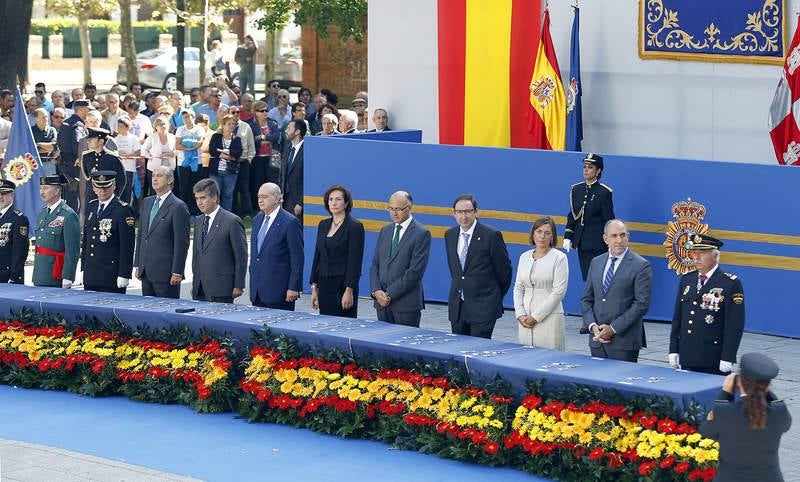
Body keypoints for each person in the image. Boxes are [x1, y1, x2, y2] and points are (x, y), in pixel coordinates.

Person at [700, 353, 791, 482]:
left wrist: (726, 392)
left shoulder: (724, 411)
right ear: (768, 385)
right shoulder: (779, 412)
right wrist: (766, 392)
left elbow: (706, 431)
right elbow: (786, 425)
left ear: (739, 381)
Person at [669, 233, 745, 375]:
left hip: (712, 358)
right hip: (686, 355)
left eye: (702, 253)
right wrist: (673, 348)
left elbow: (734, 324)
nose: (696, 257)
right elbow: (678, 318)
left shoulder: (730, 283)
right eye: (694, 253)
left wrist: (728, 356)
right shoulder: (687, 280)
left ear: (715, 256)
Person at [581, 219, 652, 362]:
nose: (619, 240)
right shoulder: (596, 262)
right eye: (614, 236)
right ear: (605, 239)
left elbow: (641, 304)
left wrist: (613, 329)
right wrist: (593, 326)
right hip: (597, 339)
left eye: (622, 235)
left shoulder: (641, 265)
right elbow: (587, 299)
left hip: (624, 342)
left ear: (628, 237)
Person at [444, 194, 512, 339]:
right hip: (458, 307)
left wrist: (493, 298)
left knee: (478, 354)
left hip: (483, 307)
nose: (464, 216)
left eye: (468, 211)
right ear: (454, 213)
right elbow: (455, 270)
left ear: (476, 211)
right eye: (460, 212)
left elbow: (505, 271)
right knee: (457, 353)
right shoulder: (450, 235)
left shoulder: (491, 235)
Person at [369, 191, 431, 327]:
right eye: (391, 209)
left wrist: (389, 294)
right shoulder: (385, 230)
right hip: (381, 304)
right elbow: (375, 265)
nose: (394, 213)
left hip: (405, 306)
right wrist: (376, 291)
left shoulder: (421, 233)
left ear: (409, 208)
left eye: (398, 209)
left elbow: (414, 273)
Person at [133, 166, 190, 299]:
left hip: (166, 273)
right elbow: (142, 235)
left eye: (159, 176)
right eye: (153, 176)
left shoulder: (178, 206)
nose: (155, 179)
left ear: (170, 180)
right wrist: (138, 264)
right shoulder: (147, 202)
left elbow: (181, 242)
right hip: (146, 271)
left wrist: (177, 271)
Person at [310, 185, 365, 318]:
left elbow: (355, 262)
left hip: (343, 286)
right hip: (324, 284)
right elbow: (317, 256)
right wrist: (314, 288)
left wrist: (349, 290)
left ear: (346, 203)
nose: (333, 203)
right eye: (330, 199)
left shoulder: (355, 226)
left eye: (338, 199)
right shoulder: (323, 224)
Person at [513, 217, 569, 350]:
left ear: (553, 236)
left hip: (550, 318)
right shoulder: (524, 256)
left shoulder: (559, 258)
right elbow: (518, 287)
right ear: (533, 233)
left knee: (550, 361)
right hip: (525, 319)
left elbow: (559, 292)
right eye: (539, 231)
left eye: (547, 233)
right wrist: (520, 314)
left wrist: (536, 317)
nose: (542, 236)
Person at [191, 179, 247, 303]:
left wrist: (238, 284)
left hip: (222, 288)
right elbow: (196, 255)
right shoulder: (199, 221)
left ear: (215, 197)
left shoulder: (232, 221)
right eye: (197, 199)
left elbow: (241, 256)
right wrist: (195, 283)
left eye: (203, 198)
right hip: (200, 288)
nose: (199, 203)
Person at [249, 182, 304, 310]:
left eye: (264, 197)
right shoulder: (257, 220)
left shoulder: (290, 222)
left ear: (278, 198)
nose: (260, 200)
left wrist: (293, 287)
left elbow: (297, 258)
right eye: (258, 197)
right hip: (257, 291)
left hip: (280, 292)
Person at [81, 171, 135, 294]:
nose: (102, 190)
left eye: (106, 187)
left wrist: (124, 273)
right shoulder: (92, 206)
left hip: (111, 274)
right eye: (99, 187)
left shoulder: (122, 209)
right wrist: (84, 266)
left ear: (114, 185)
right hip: (91, 272)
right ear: (94, 188)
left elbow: (127, 245)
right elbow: (87, 240)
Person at [563, 153, 615, 281]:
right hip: (582, 243)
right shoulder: (576, 189)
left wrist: (611, 242)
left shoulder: (604, 192)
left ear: (598, 171)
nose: (586, 170)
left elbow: (608, 220)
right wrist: (568, 236)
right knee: (587, 278)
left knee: (598, 279)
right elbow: (572, 215)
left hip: (598, 244)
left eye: (590, 167)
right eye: (584, 167)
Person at [33, 175, 80, 288]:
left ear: (57, 190)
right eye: (41, 188)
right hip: (40, 273)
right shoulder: (42, 214)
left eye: (46, 188)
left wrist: (68, 276)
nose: (42, 192)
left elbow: (72, 250)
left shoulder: (68, 215)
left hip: (55, 273)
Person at [57, 98, 90, 212]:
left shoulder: (66, 123)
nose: (88, 112)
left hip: (64, 164)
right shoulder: (77, 125)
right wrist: (81, 157)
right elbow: (79, 143)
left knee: (68, 196)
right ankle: (72, 223)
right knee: (75, 197)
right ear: (81, 109)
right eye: (87, 109)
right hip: (74, 165)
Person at [248, 100, 281, 211]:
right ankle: (258, 206)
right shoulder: (250, 124)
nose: (265, 113)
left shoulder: (273, 122)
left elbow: (276, 136)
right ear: (255, 112)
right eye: (261, 111)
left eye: (266, 110)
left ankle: (275, 204)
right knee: (258, 181)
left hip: (273, 156)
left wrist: (262, 138)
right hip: (258, 157)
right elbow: (252, 139)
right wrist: (265, 140)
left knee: (273, 181)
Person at [81, 128, 126, 203]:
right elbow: (88, 178)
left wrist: (115, 197)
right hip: (91, 198)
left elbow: (121, 180)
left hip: (108, 197)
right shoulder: (86, 156)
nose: (88, 141)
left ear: (101, 141)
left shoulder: (113, 158)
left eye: (91, 139)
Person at [208, 114, 243, 211]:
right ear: (223, 125)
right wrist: (226, 156)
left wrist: (227, 152)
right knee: (215, 195)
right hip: (216, 171)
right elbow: (212, 150)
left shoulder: (237, 139)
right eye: (229, 124)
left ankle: (227, 216)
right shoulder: (216, 137)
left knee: (228, 195)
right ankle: (215, 215)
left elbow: (238, 152)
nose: (232, 126)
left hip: (230, 172)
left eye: (233, 124)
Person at [175, 110, 205, 216]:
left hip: (196, 162)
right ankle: (184, 211)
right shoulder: (180, 129)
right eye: (184, 117)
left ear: (193, 117)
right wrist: (191, 148)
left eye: (188, 116)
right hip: (183, 163)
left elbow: (199, 142)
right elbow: (177, 145)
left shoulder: (199, 129)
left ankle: (195, 210)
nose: (186, 119)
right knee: (184, 188)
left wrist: (189, 147)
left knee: (195, 187)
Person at [0, 180, 30, 284]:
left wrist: (14, 277)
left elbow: (20, 251)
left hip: (7, 276)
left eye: (4, 193)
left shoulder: (19, 218)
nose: (0, 197)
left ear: (12, 195)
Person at [141, 117, 176, 197]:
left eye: (164, 124)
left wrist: (172, 153)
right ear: (156, 127)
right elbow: (143, 149)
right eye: (160, 124)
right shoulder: (152, 137)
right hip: (154, 169)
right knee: (155, 191)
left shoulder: (172, 137)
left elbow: (177, 150)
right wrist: (150, 156)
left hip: (169, 168)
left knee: (168, 190)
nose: (162, 126)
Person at [280, 119, 305, 220]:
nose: (286, 130)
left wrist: (300, 202)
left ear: (297, 131)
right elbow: (282, 174)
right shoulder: (288, 148)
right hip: (285, 200)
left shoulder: (307, 150)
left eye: (289, 128)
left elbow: (306, 179)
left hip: (298, 203)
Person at [31, 108, 58, 176]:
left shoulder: (52, 130)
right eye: (43, 117)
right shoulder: (30, 131)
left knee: (50, 185)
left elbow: (54, 147)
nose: (46, 119)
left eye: (46, 116)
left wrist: (38, 144)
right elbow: (31, 149)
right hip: (34, 164)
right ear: (36, 119)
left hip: (49, 163)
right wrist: (48, 147)